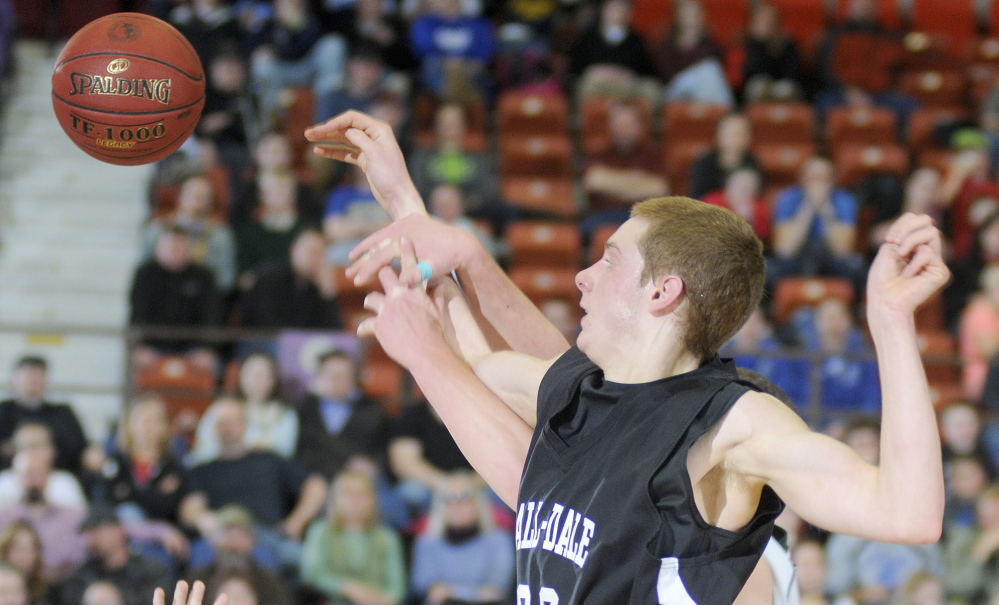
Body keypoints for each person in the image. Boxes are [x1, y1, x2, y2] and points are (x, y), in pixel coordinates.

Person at [302, 110, 948, 604]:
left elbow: (908, 511)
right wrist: (407, 210)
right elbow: (479, 366)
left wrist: (889, 322)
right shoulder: (590, 403)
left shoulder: (730, 424)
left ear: (663, 291)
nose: (581, 276)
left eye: (609, 259)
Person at [179, 398, 327, 568]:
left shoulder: (268, 459)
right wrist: (202, 518)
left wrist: (296, 522)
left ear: (245, 425)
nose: (227, 428)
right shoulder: (202, 469)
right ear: (213, 428)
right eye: (221, 423)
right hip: (221, 535)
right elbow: (190, 506)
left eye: (232, 422)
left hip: (267, 535)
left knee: (308, 563)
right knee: (198, 560)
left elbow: (316, 486)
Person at [299, 470, 406, 605]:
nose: (356, 501)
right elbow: (312, 574)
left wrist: (382, 600)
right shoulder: (321, 531)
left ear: (373, 499)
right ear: (336, 498)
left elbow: (396, 587)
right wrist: (347, 588)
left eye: (363, 495)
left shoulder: (387, 537)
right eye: (349, 494)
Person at [410, 472, 515, 604]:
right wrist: (473, 593)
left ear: (479, 502)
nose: (459, 505)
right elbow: (424, 585)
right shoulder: (426, 543)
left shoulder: (498, 540)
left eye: (466, 496)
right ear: (440, 506)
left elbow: (496, 589)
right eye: (451, 498)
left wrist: (452, 592)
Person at [769, 156, 865, 290]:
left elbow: (842, 251)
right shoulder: (787, 199)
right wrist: (807, 209)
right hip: (797, 256)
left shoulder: (844, 201)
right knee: (770, 269)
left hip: (830, 257)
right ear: (802, 179)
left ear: (833, 180)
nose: (817, 184)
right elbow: (785, 250)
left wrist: (826, 211)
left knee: (856, 268)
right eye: (813, 178)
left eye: (823, 178)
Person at [294, 350, 391, 481]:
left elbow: (378, 452)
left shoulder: (372, 410)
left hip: (360, 480)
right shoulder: (303, 407)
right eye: (332, 375)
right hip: (312, 478)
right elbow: (304, 449)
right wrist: (348, 461)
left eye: (343, 376)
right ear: (319, 377)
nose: (337, 381)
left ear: (355, 378)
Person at [190, 352, 298, 463]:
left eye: (267, 375)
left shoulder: (285, 413)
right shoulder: (222, 409)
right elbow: (203, 451)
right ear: (240, 375)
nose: (260, 381)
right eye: (255, 375)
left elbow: (286, 454)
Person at [581, 99, 667, 236]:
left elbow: (658, 189)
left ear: (640, 126)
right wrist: (637, 180)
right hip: (603, 217)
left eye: (628, 124)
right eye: (619, 124)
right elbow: (594, 183)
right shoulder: (597, 152)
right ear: (610, 126)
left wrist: (610, 180)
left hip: (642, 217)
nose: (624, 129)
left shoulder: (653, 154)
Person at [141, 175, 237, 293]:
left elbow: (225, 279)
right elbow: (143, 269)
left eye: (203, 197)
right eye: (192, 195)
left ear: (211, 202)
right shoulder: (159, 229)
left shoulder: (219, 235)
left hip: (202, 297)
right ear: (180, 197)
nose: (196, 201)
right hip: (162, 293)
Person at [60, 507, 172, 605]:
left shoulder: (150, 569)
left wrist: (116, 598)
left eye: (98, 531)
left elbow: (158, 599)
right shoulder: (83, 575)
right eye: (88, 533)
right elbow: (70, 598)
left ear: (119, 530)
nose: (92, 539)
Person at [237, 229, 343, 329]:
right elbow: (266, 323)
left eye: (319, 254)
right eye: (311, 252)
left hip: (303, 344)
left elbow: (333, 332)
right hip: (260, 342)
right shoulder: (270, 279)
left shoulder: (317, 286)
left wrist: (328, 293)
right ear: (294, 250)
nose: (314, 259)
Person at [0, 356, 90, 475]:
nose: (33, 381)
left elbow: (80, 447)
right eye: (28, 376)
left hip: (56, 476)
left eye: (38, 376)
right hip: (9, 476)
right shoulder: (3, 411)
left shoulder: (62, 413)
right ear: (15, 379)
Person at [687, 113, 760, 201]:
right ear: (719, 134)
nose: (737, 138)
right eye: (733, 133)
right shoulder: (704, 164)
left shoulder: (753, 165)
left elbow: (756, 201)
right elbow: (695, 198)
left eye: (743, 132)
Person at [0, 522, 50, 604]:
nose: (25, 555)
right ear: (5, 549)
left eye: (31, 548)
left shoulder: (46, 591)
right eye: (18, 548)